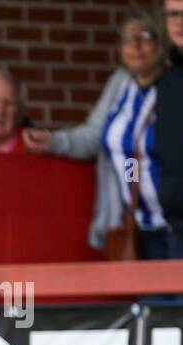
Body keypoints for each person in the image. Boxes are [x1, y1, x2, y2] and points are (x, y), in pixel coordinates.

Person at [26, 6, 171, 256]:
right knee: (148, 296)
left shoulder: (173, 85)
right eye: (128, 38)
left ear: (161, 43)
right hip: (134, 226)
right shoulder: (120, 83)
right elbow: (94, 135)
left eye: (145, 37)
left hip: (174, 225)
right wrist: (53, 141)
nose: (135, 45)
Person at [150, 0, 183, 256]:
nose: (179, 21)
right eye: (173, 14)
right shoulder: (165, 79)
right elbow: (129, 152)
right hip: (166, 220)